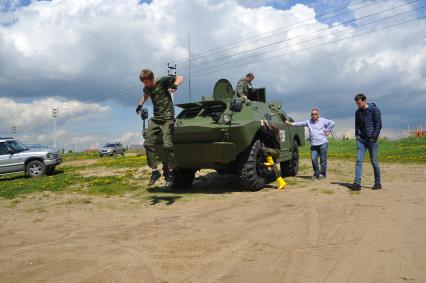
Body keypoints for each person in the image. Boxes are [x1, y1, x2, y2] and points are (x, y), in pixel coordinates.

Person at [136, 69, 184, 187]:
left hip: (167, 118)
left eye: (147, 82)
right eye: (144, 83)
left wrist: (175, 85)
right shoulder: (147, 88)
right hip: (156, 119)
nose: (146, 85)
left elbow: (180, 77)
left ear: (152, 79)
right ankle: (154, 172)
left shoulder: (162, 81)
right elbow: (146, 95)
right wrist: (140, 105)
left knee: (167, 145)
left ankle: (171, 172)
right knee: (147, 143)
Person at [285, 108, 335, 179]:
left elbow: (332, 123)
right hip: (314, 144)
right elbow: (300, 123)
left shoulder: (323, 120)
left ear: (318, 115)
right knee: (313, 159)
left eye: (315, 114)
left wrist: (327, 130)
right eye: (312, 114)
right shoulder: (308, 122)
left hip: (323, 143)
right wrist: (290, 124)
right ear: (311, 115)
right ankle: (316, 174)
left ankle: (323, 174)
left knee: (322, 160)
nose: (314, 115)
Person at [349, 94, 382, 191]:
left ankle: (377, 183)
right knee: (358, 161)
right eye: (356, 103)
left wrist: (374, 138)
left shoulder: (374, 110)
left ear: (364, 101)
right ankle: (357, 184)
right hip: (361, 140)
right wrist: (357, 136)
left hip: (372, 140)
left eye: (359, 103)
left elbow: (378, 124)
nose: (358, 105)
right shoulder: (357, 112)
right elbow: (357, 125)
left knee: (374, 162)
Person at [259, 120, 286, 190]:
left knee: (263, 149)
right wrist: (267, 125)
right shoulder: (275, 133)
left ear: (272, 129)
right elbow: (268, 131)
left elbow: (264, 132)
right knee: (273, 167)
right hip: (276, 152)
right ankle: (282, 182)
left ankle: (270, 162)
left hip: (275, 151)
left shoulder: (272, 133)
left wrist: (262, 124)